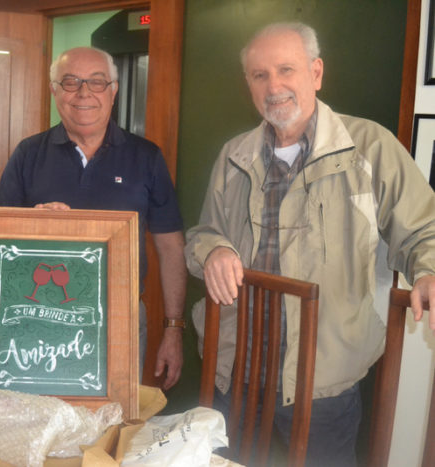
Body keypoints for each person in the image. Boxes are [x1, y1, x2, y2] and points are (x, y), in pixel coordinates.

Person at [184, 22, 435, 466]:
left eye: (286, 69)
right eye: (259, 75)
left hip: (322, 382)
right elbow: (203, 235)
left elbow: (423, 229)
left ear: (316, 73)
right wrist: (215, 251)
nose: (273, 85)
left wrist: (428, 270)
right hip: (235, 369)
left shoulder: (369, 148)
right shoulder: (233, 155)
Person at [0, 47, 186, 389]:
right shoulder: (27, 154)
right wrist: (28, 222)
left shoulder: (147, 158)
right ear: (54, 90)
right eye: (71, 81)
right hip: (37, 323)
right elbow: (0, 247)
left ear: (114, 89)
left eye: (96, 82)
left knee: (109, 429)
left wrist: (173, 329)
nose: (84, 93)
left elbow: (171, 248)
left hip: (120, 322)